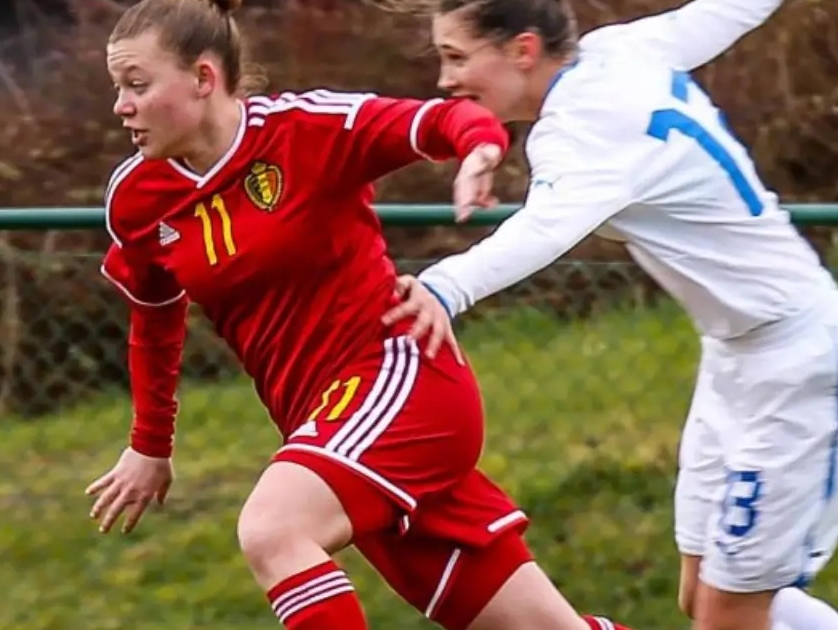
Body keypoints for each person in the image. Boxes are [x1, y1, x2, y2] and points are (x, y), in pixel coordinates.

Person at [82, 1, 633, 629]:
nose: (121, 106)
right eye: (118, 88)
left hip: (397, 379)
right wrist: (150, 446)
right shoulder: (137, 198)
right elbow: (155, 322)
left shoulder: (305, 129)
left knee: (274, 530)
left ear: (204, 78)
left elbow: (443, 120)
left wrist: (480, 150)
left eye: (137, 84)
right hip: (325, 425)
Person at [376, 1, 838, 630]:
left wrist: (445, 286)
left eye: (456, 57)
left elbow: (546, 226)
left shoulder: (583, 125)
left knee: (730, 610)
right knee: (702, 593)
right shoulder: (617, 51)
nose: (445, 79)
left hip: (801, 363)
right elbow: (726, 12)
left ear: (523, 50)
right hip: (737, 358)